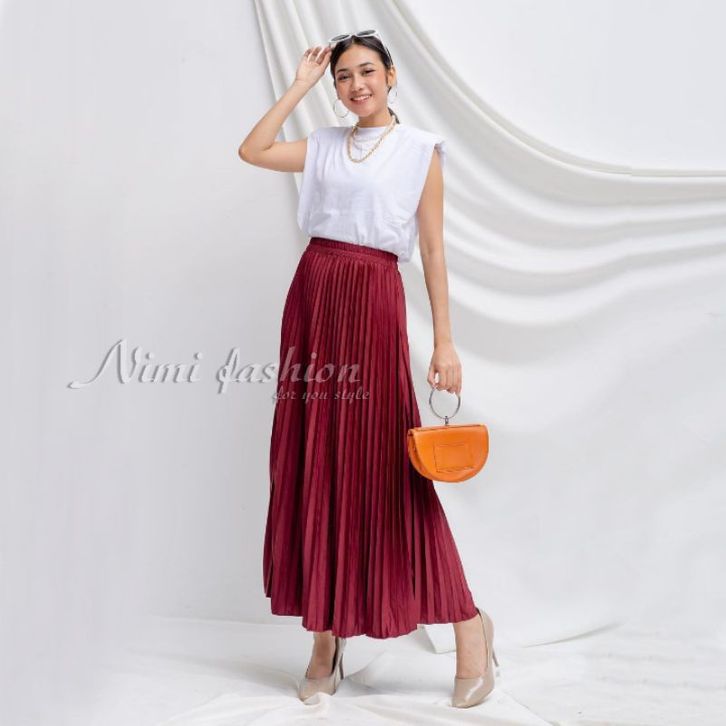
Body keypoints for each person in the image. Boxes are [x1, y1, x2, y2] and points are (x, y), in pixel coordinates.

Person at [238, 30, 498, 708]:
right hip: (314, 294)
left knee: (386, 471)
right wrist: (299, 85)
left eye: (367, 72)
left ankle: (469, 625)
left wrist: (445, 343)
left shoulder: (420, 151)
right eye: (344, 77)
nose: (356, 85)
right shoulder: (324, 144)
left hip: (374, 297)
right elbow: (253, 150)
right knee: (313, 460)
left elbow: (433, 251)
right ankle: (325, 640)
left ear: (390, 75)